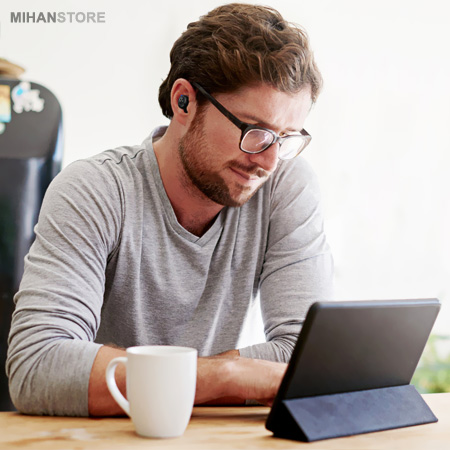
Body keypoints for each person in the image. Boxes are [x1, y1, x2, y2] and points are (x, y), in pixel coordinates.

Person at [6, 3, 333, 416]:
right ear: (184, 102)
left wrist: (181, 378)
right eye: (255, 131)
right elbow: (38, 367)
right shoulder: (94, 189)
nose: (268, 162)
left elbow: (306, 358)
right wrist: (225, 375)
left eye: (284, 138)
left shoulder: (285, 186)